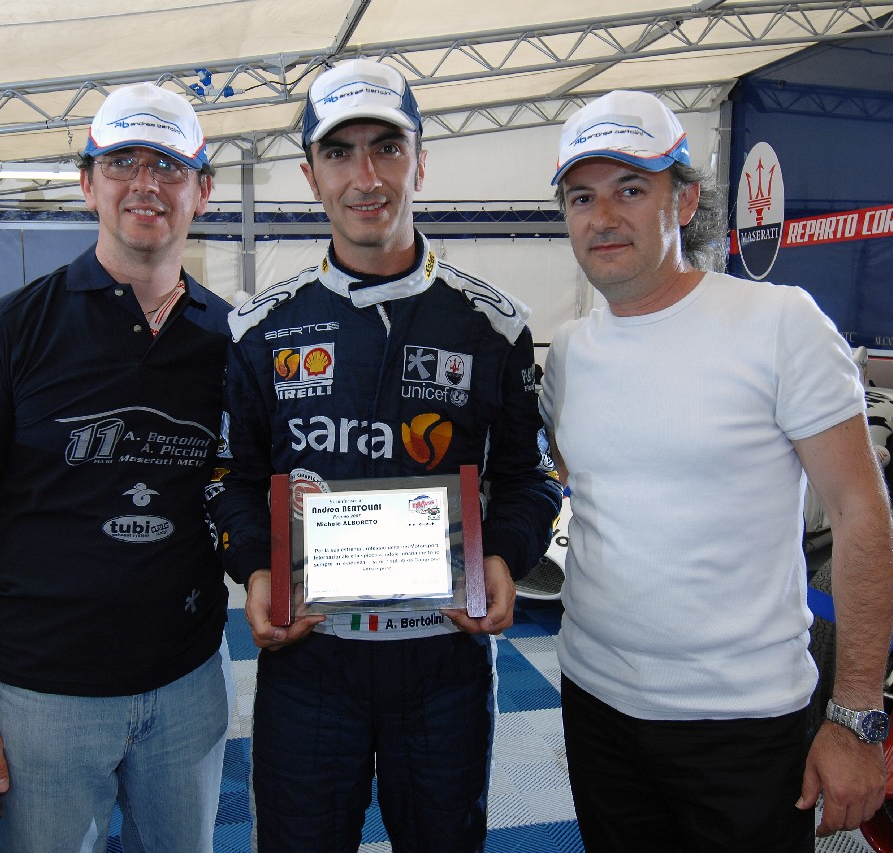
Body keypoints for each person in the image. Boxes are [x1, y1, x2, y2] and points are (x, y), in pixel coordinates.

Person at [208, 59, 562, 852]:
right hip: (310, 665)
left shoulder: (493, 325)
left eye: (387, 148)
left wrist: (503, 556)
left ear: (420, 162)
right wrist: (257, 568)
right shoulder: (261, 330)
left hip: (444, 665)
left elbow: (529, 477)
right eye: (339, 153)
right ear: (310, 175)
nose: (365, 177)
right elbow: (232, 480)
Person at [539, 90, 893, 852]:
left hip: (743, 726)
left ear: (685, 199)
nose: (603, 217)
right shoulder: (569, 351)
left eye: (630, 189)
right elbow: (582, 484)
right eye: (582, 197)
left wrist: (856, 714)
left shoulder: (780, 324)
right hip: (596, 705)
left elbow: (861, 514)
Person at [0, 82, 233, 852]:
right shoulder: (7, 333)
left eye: (168, 165)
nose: (146, 183)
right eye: (122, 162)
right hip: (39, 694)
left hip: (189, 679)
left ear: (202, 191)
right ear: (88, 182)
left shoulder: (234, 341)